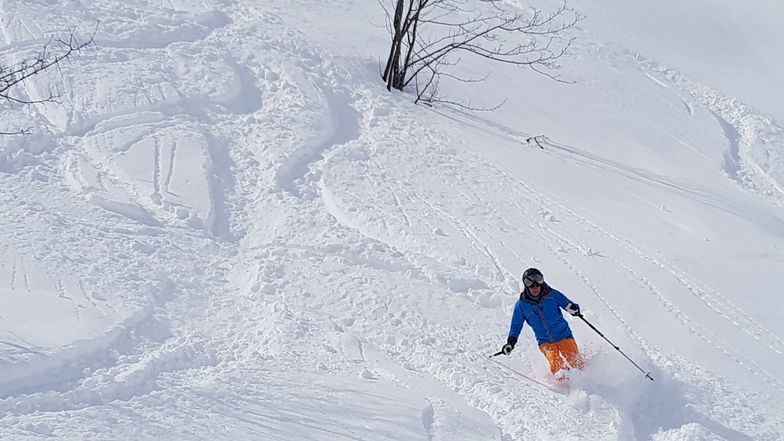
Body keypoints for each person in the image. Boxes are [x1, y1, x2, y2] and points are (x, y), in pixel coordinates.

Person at [500, 268, 585, 380]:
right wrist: (510, 342)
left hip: (564, 335)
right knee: (557, 365)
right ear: (525, 284)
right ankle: (569, 387)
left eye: (538, 281)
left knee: (576, 363)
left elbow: (568, 304)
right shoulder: (521, 305)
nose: (535, 286)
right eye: (530, 283)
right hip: (545, 342)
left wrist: (574, 309)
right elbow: (516, 326)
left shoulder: (553, 295)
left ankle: (586, 380)